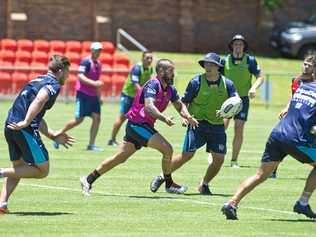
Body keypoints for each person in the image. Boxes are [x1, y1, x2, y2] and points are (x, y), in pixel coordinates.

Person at [80, 59, 198, 195]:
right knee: (167, 149)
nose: (173, 74)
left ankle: (88, 180)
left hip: (140, 126)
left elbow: (179, 105)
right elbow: (149, 107)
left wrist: (187, 116)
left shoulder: (170, 89)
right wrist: (164, 118)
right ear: (160, 72)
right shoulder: (153, 85)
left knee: (120, 158)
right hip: (138, 125)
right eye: (171, 71)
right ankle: (169, 184)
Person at [222, 55, 316, 220]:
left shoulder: (302, 86)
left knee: (261, 175)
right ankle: (302, 202)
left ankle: (232, 203)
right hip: (295, 139)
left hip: (276, 134)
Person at [150, 53, 239, 195]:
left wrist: (227, 112)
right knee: (187, 154)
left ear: (218, 67)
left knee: (219, 159)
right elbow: (183, 102)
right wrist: (185, 117)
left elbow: (236, 101)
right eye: (206, 64)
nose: (208, 67)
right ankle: (162, 176)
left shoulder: (227, 84)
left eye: (211, 64)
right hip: (197, 123)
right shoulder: (196, 82)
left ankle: (204, 184)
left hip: (217, 126)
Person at [0, 55, 75, 214]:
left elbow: (38, 116)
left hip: (10, 125)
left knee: (19, 168)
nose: (68, 76)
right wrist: (26, 122)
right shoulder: (53, 85)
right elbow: (40, 100)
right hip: (23, 129)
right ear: (60, 71)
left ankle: (2, 204)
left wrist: (52, 135)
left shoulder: (37, 79)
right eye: (68, 72)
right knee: (42, 171)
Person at [220, 34, 264, 168]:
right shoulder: (224, 61)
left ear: (244, 46)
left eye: (240, 44)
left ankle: (234, 161)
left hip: (243, 100)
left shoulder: (250, 60)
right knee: (222, 127)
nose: (238, 46)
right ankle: (214, 153)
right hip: (227, 99)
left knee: (239, 129)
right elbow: (218, 77)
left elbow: (260, 77)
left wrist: (253, 88)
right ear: (232, 46)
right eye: (236, 44)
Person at [271, 55, 316, 178]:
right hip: (293, 116)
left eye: (309, 65)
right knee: (281, 139)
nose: (306, 67)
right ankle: (272, 170)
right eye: (305, 64)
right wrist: (286, 108)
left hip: (309, 118)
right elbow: (294, 96)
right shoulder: (296, 80)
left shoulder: (313, 83)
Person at [54, 42, 104, 151]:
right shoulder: (85, 62)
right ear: (92, 50)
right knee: (79, 120)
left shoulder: (99, 64)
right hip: (83, 94)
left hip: (93, 95)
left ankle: (91, 145)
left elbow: (97, 82)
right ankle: (57, 134)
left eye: (100, 50)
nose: (98, 52)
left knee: (97, 118)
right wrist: (94, 83)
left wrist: (99, 97)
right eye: (96, 50)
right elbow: (80, 76)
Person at [108, 51, 154, 146]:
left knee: (138, 119)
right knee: (122, 118)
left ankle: (134, 140)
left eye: (151, 58)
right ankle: (112, 139)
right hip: (128, 96)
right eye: (147, 58)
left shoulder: (150, 69)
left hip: (137, 98)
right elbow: (135, 83)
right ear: (142, 59)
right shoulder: (137, 68)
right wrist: (146, 95)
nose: (149, 60)